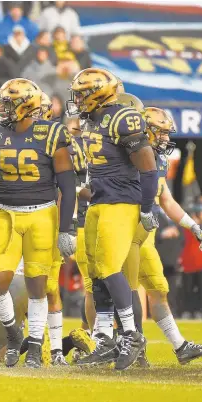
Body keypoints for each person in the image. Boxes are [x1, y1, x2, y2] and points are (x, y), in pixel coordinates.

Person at [0, 79, 76, 368]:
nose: (1, 109)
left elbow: (67, 186)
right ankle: (13, 334)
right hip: (6, 212)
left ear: (26, 106)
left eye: (8, 103)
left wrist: (66, 227)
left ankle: (34, 347)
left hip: (42, 214)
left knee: (37, 285)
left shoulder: (52, 132)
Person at [66, 68, 158, 370]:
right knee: (94, 272)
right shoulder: (90, 119)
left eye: (82, 94)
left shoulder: (123, 117)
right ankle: (104, 338)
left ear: (99, 93)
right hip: (99, 201)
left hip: (122, 202)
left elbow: (147, 166)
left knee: (108, 268)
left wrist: (147, 207)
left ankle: (131, 334)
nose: (77, 99)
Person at [122, 105, 202, 364]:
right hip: (126, 231)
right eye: (160, 133)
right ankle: (128, 346)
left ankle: (180, 347)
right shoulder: (129, 155)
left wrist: (191, 225)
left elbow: (165, 199)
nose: (164, 138)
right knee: (127, 293)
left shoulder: (158, 159)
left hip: (146, 236)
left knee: (158, 289)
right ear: (147, 132)